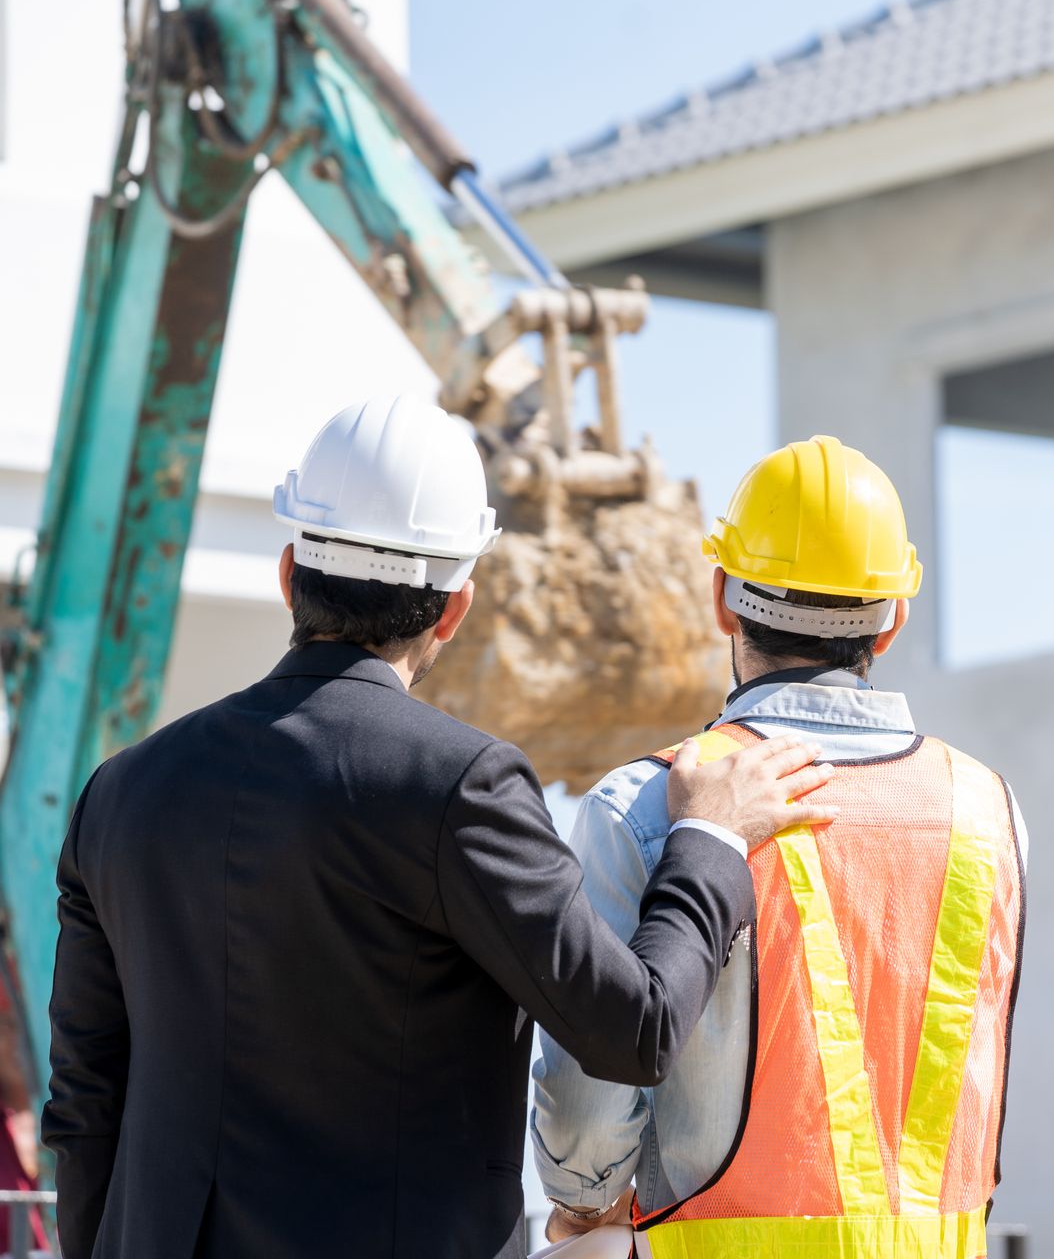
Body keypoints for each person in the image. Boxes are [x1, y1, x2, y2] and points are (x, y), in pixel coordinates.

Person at [42, 397, 835, 1259]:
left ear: (289, 572)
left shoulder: (119, 792)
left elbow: (84, 1107)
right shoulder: (460, 784)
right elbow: (632, 1030)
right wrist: (710, 839)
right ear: (454, 609)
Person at [532, 435, 1026, 1259]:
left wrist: (584, 1202)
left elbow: (589, 1113)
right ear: (893, 620)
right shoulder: (988, 809)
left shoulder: (649, 801)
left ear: (723, 599)